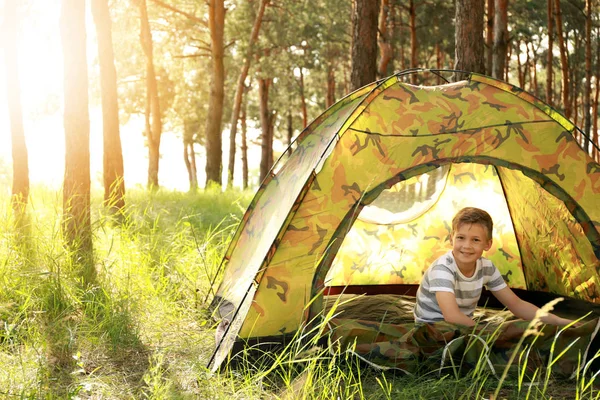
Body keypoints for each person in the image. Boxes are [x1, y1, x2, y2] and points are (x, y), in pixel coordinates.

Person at [414, 207, 574, 327]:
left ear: (487, 244)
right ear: (451, 239)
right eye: (461, 238)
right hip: (432, 328)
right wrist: (485, 335)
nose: (466, 246)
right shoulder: (442, 269)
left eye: (475, 240)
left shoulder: (486, 268)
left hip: (463, 326)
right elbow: (452, 316)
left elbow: (516, 304)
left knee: (522, 334)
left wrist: (559, 321)